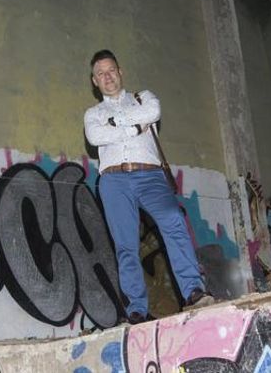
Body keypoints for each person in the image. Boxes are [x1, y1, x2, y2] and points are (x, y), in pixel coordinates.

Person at [84, 49, 213, 324]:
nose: (107, 77)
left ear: (121, 72)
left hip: (150, 176)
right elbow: (95, 136)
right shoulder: (93, 114)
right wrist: (133, 128)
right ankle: (136, 309)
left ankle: (194, 291)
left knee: (173, 218)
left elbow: (153, 112)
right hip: (113, 181)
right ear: (95, 81)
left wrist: (116, 123)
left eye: (111, 71)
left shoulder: (145, 98)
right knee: (125, 245)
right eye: (101, 74)